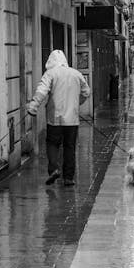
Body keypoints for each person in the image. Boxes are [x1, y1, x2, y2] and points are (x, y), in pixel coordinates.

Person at [27, 50, 90, 186]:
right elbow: (86, 92)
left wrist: (33, 106)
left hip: (55, 118)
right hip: (72, 119)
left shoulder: (50, 73)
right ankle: (68, 177)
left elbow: (42, 91)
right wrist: (77, 103)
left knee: (52, 143)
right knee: (70, 147)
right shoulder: (76, 73)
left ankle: (54, 169)